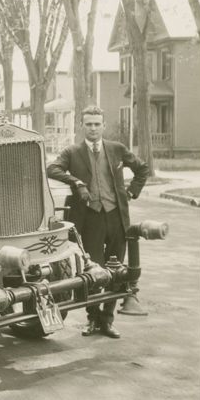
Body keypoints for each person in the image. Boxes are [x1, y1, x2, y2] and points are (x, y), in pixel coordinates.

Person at [47, 105, 150, 339]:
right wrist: (76, 182)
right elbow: (51, 169)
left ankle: (108, 320)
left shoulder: (116, 149)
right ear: (81, 127)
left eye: (97, 124)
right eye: (88, 124)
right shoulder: (73, 152)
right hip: (89, 219)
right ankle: (92, 319)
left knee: (116, 271)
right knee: (92, 270)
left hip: (115, 217)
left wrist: (133, 192)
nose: (93, 128)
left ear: (103, 126)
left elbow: (142, 168)